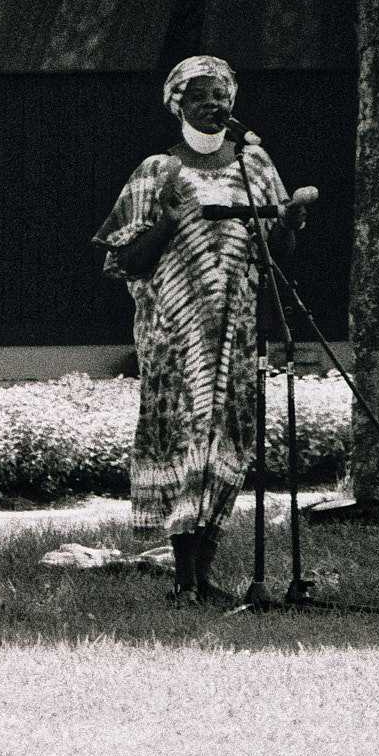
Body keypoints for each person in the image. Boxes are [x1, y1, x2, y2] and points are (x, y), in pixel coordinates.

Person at [94, 55, 308, 602]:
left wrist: (289, 224)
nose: (216, 104)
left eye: (223, 94)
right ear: (178, 104)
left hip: (235, 335)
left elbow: (278, 256)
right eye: (202, 95)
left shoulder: (255, 166)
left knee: (224, 444)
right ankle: (183, 578)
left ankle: (203, 576)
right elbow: (127, 261)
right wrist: (166, 220)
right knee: (184, 442)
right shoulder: (156, 172)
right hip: (173, 341)